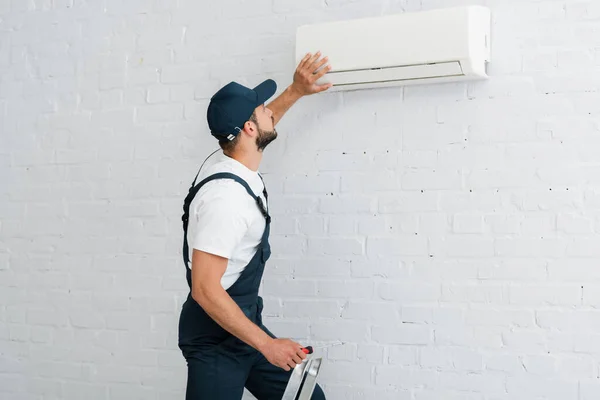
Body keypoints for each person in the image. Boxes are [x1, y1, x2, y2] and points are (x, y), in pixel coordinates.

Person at [178, 52, 332, 400]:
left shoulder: (233, 154)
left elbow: (263, 119)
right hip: (215, 337)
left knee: (307, 396)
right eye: (261, 109)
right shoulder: (226, 200)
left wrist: (297, 89)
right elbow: (204, 289)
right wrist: (268, 346)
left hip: (243, 325)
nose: (269, 111)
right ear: (249, 129)